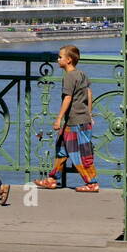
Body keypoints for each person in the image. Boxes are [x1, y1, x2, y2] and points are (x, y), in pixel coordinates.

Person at [34, 45, 98, 193]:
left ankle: (92, 183)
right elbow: (89, 93)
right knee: (62, 149)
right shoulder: (81, 74)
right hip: (80, 120)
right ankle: (52, 179)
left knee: (80, 154)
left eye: (60, 57)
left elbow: (68, 98)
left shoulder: (69, 77)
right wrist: (89, 114)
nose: (57, 59)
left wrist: (58, 118)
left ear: (68, 60)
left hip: (76, 121)